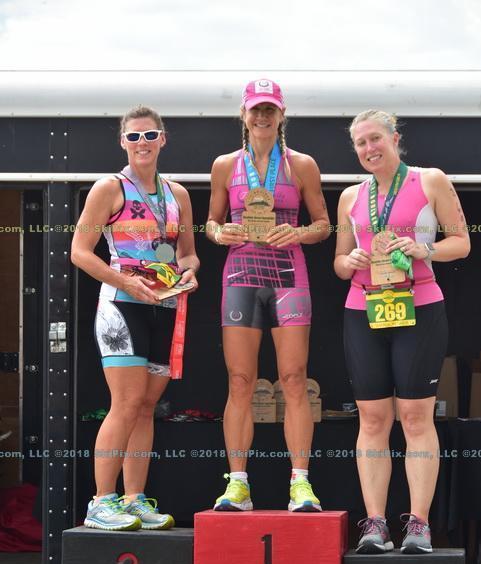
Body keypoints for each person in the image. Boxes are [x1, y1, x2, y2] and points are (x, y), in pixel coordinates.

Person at [334, 109, 470, 553]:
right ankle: (375, 523)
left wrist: (423, 248)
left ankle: (419, 525)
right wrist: (350, 260)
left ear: (394, 138)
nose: (369, 148)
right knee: (373, 418)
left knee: (414, 416)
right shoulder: (351, 196)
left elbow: (462, 242)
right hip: (364, 308)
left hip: (419, 305)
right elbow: (339, 262)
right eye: (360, 143)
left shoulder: (430, 180)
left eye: (375, 138)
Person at [71, 105, 199, 531]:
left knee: (146, 407)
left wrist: (189, 272)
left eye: (149, 135)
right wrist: (125, 282)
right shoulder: (109, 188)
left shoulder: (177, 194)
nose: (141, 143)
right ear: (122, 142)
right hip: (122, 307)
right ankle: (100, 503)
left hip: (164, 305)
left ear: (163, 139)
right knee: (125, 404)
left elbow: (187, 253)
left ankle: (134, 499)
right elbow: (80, 252)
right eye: (133, 136)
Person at [206, 79, 330, 512]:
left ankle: (301, 483)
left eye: (269, 110)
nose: (262, 117)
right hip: (240, 277)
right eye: (255, 109)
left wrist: (297, 233)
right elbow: (210, 222)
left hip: (288, 277)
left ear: (281, 115)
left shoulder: (302, 165)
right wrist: (220, 233)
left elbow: (323, 225)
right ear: (243, 114)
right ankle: (238, 484)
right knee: (240, 381)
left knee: (294, 379)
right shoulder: (225, 165)